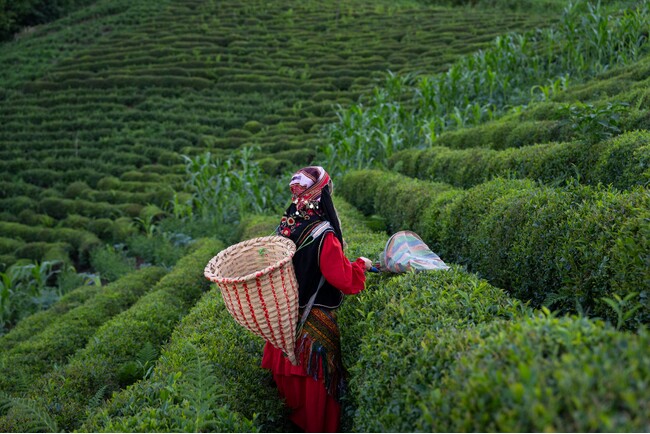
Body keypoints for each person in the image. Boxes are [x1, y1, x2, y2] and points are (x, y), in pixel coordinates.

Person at [261, 166, 372, 432]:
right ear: (322, 194)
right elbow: (343, 280)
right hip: (311, 337)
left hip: (284, 329)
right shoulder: (322, 234)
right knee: (316, 411)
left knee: (292, 408)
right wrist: (361, 265)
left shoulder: (284, 228)